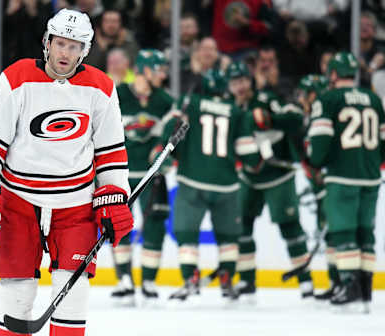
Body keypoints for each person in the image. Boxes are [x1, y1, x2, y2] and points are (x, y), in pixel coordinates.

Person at [0, 9, 134, 336]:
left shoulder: (101, 88)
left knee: (73, 290)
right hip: (18, 199)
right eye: (60, 44)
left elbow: (111, 151)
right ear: (47, 42)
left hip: (76, 203)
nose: (64, 53)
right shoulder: (17, 78)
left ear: (84, 50)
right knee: (16, 290)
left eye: (74, 47)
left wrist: (114, 197)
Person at [227, 61, 314, 301]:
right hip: (248, 175)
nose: (240, 86)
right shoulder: (229, 107)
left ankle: (305, 282)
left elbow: (296, 116)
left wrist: (270, 118)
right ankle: (247, 281)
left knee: (290, 227)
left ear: (250, 79)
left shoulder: (266, 99)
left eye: (243, 80)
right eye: (235, 83)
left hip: (278, 175)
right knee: (241, 226)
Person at [307, 52, 385, 312]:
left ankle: (349, 284)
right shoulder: (374, 99)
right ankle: (365, 290)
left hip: (342, 175)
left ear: (333, 74)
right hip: (371, 175)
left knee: (343, 232)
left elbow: (319, 142)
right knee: (366, 233)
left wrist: (316, 163)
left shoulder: (328, 98)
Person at [163, 68, 243, 304]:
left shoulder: (191, 102)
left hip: (192, 179)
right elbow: (246, 150)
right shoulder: (236, 111)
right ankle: (227, 278)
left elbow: (174, 129)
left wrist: (165, 152)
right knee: (229, 237)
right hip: (227, 184)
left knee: (186, 234)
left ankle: (190, 278)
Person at [110, 49, 173, 306]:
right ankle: (124, 279)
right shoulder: (117, 94)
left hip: (152, 175)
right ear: (145, 70)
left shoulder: (166, 100)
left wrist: (166, 150)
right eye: (159, 70)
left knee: (156, 226)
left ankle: (148, 281)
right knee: (118, 226)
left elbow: (174, 131)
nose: (164, 75)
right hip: (119, 174)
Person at [296, 74, 341, 301]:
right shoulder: (311, 116)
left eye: (306, 93)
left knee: (337, 234)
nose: (302, 98)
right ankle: (337, 282)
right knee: (330, 235)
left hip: (332, 186)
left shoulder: (325, 116)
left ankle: (344, 281)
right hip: (320, 187)